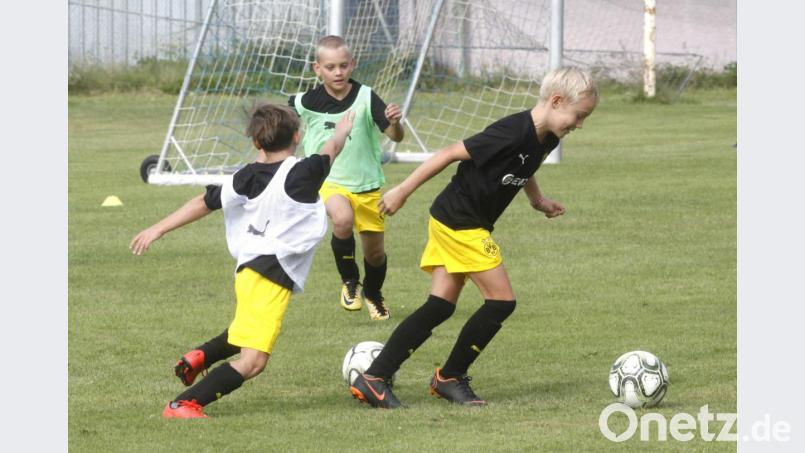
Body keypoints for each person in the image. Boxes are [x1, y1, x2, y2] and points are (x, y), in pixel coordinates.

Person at [349, 67, 599, 408]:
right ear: (556, 101)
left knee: (439, 306)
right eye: (579, 115)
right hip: (460, 222)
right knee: (501, 301)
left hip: (456, 218)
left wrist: (537, 200)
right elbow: (449, 153)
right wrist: (402, 190)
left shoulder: (548, 137)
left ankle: (375, 377)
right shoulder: (511, 132)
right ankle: (450, 376)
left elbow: (525, 166)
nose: (579, 124)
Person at [130, 104, 354, 418]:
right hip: (271, 274)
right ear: (298, 136)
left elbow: (203, 202)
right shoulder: (306, 171)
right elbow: (333, 147)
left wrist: (158, 229)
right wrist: (342, 130)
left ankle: (199, 357)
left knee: (244, 331)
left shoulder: (246, 176)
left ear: (256, 143)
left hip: (250, 270)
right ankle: (183, 404)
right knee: (253, 362)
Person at [289, 35, 404, 321]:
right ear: (317, 69)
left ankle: (373, 294)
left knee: (375, 254)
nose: (338, 72)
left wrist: (394, 123)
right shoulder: (305, 102)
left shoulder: (366, 96)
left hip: (367, 185)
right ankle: (350, 281)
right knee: (341, 219)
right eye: (330, 67)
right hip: (329, 181)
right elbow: (280, 127)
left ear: (353, 64)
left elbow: (396, 137)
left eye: (343, 65)